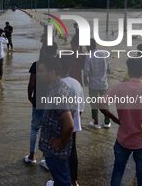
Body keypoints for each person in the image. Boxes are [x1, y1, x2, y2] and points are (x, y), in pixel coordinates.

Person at [100, 58, 142, 186]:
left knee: (118, 171)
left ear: (129, 71)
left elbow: (101, 103)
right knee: (141, 174)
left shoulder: (119, 87)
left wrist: (114, 118)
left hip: (122, 138)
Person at [38, 57, 75, 186]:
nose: (39, 74)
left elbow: (70, 125)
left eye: (42, 71)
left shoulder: (57, 93)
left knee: (63, 181)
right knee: (61, 180)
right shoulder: (58, 87)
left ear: (52, 72)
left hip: (56, 151)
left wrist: (60, 142)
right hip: (54, 150)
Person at [24, 44, 57, 165]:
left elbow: (31, 84)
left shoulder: (36, 65)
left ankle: (32, 156)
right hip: (51, 102)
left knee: (34, 129)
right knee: (48, 130)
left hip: (38, 101)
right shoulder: (54, 65)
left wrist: (29, 96)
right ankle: (46, 160)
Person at [60, 56, 85, 186]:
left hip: (60, 126)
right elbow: (81, 107)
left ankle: (61, 181)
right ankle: (74, 180)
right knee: (72, 151)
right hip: (74, 124)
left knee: (60, 153)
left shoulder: (57, 84)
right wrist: (76, 119)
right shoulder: (76, 83)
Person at [84, 38, 111, 129]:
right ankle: (107, 122)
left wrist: (85, 79)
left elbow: (86, 71)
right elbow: (109, 70)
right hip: (104, 83)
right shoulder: (104, 54)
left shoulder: (89, 56)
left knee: (94, 104)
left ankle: (96, 123)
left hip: (93, 84)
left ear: (88, 46)